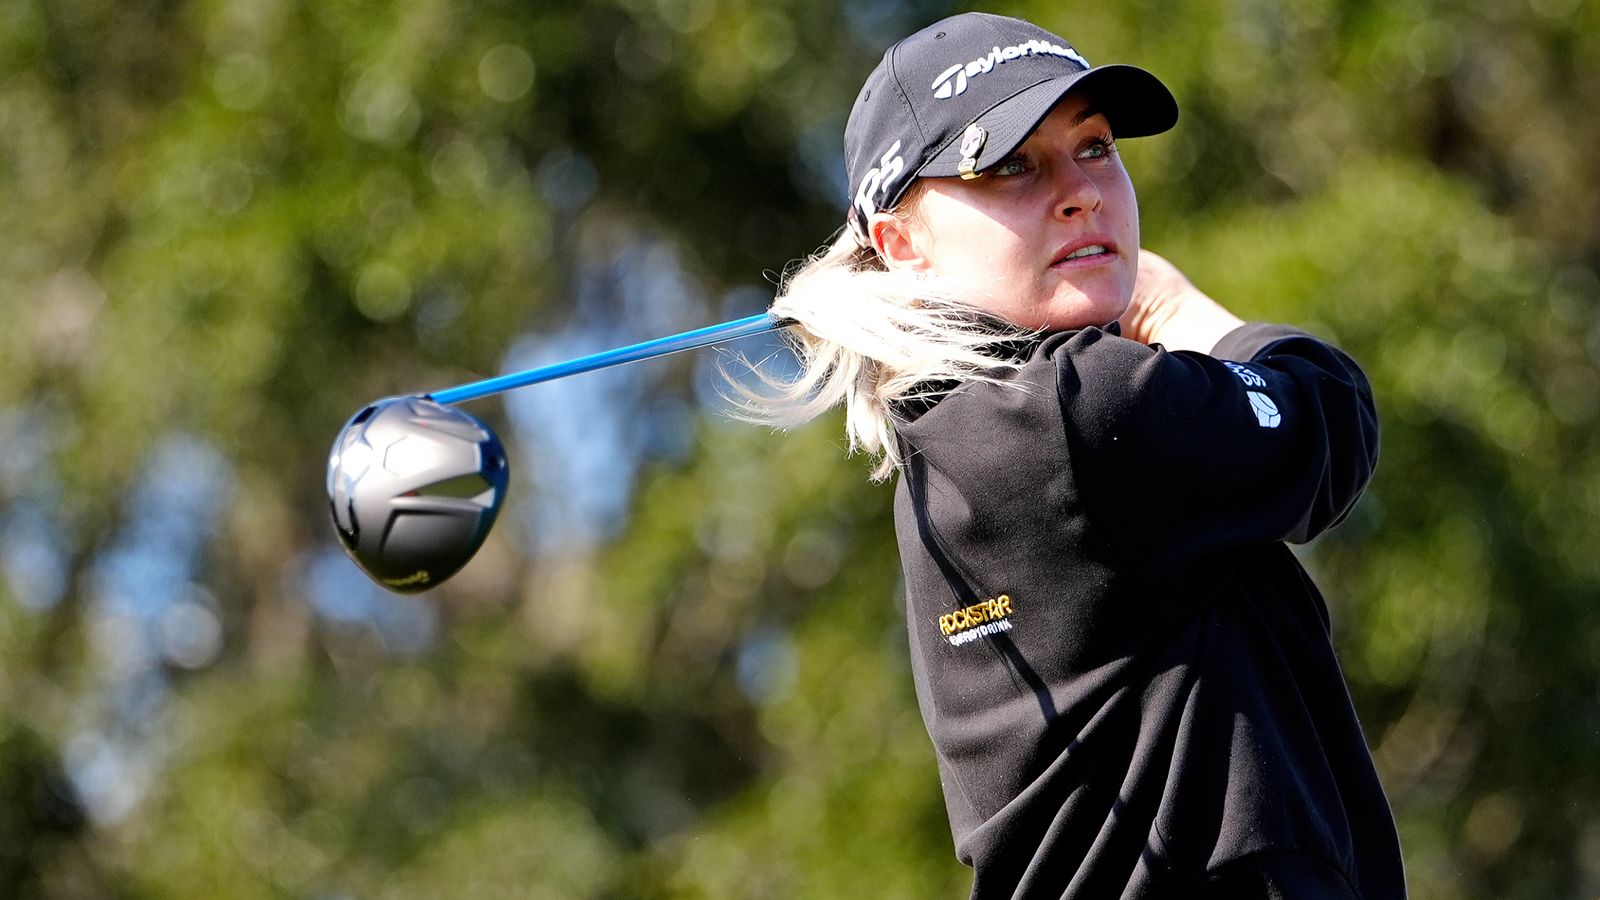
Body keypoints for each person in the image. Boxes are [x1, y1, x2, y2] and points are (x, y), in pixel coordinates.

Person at [731, 11, 1407, 900]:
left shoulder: (957, 439)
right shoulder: (1079, 412)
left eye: (1094, 145)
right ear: (900, 245)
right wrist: (1176, 311)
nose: (1081, 190)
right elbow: (1329, 411)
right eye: (1010, 164)